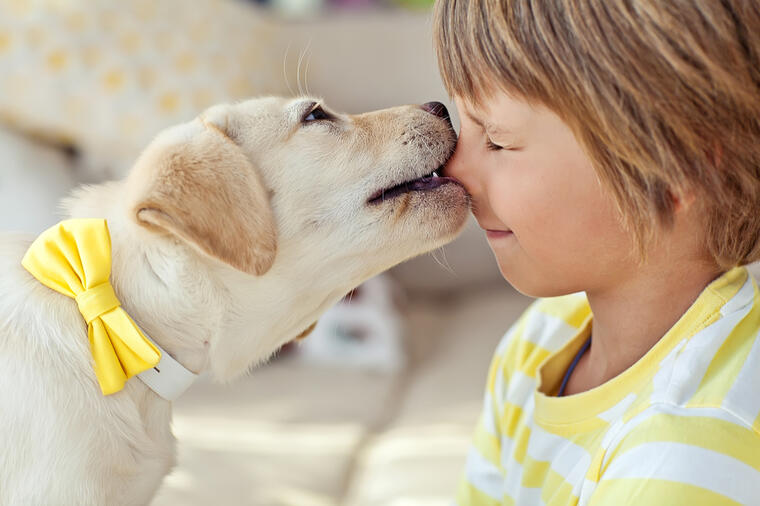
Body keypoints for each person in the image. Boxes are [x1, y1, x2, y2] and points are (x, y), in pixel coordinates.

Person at [433, 1, 760, 504]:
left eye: (496, 140)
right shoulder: (540, 343)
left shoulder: (690, 453)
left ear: (675, 166)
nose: (452, 169)